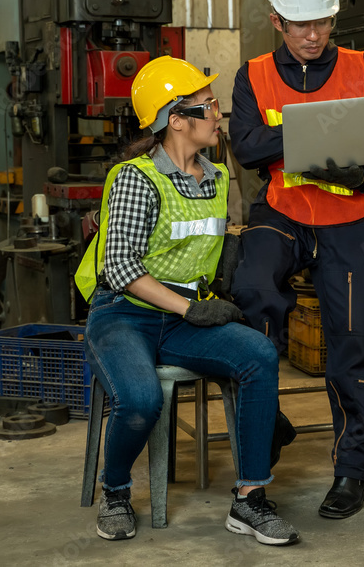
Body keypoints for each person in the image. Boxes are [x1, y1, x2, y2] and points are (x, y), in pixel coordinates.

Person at [74, 56, 299, 546]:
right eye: (208, 105)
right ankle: (115, 491)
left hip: (181, 317)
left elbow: (204, 250)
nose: (218, 113)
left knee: (258, 355)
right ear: (176, 119)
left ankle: (249, 498)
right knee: (140, 399)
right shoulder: (136, 178)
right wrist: (190, 309)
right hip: (124, 314)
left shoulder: (217, 178)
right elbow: (120, 267)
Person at [228, 0, 364, 519]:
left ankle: (352, 469)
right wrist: (318, 131)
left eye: (321, 22)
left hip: (348, 216)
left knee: (355, 339)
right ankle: (266, 416)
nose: (313, 34)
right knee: (251, 287)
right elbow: (247, 147)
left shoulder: (362, 67)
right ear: (276, 20)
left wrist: (361, 173)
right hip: (283, 210)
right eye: (300, 24)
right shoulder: (253, 74)